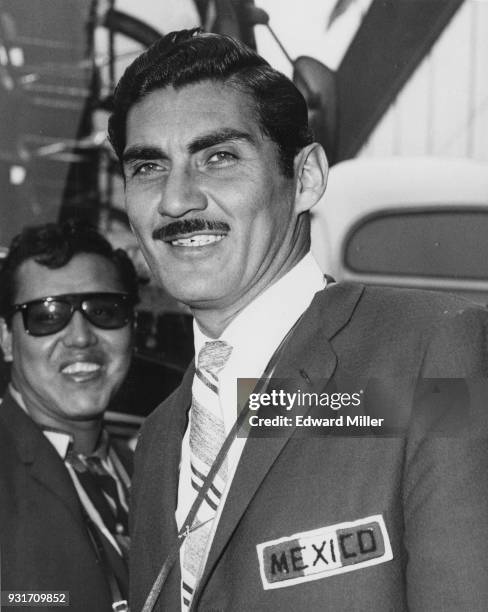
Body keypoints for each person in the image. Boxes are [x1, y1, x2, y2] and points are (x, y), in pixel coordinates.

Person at [109, 29, 488, 611]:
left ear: (306, 176)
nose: (177, 200)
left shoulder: (425, 360)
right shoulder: (161, 438)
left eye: (219, 157)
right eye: (149, 167)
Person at [0, 220, 138, 612]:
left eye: (105, 311)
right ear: (6, 340)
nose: (80, 337)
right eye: (47, 315)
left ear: (134, 327)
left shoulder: (159, 475)